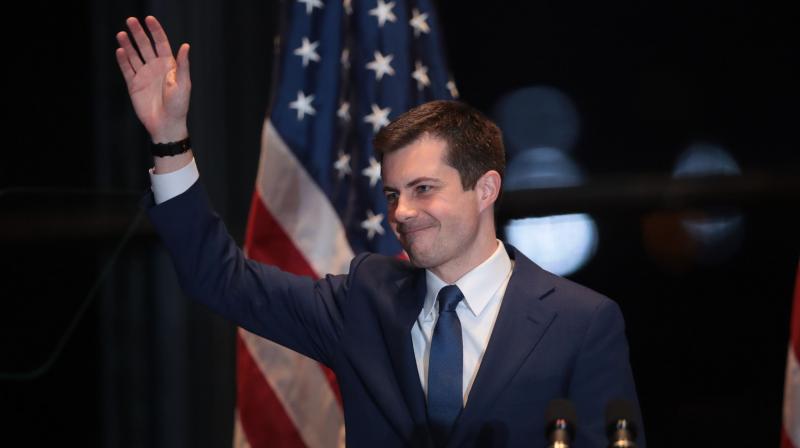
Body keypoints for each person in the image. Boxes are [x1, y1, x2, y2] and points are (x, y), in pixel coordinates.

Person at [116, 16, 645, 448]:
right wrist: (170, 138)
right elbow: (219, 278)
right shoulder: (363, 302)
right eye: (393, 195)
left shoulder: (581, 322)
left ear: (485, 189)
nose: (402, 212)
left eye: (423, 189)